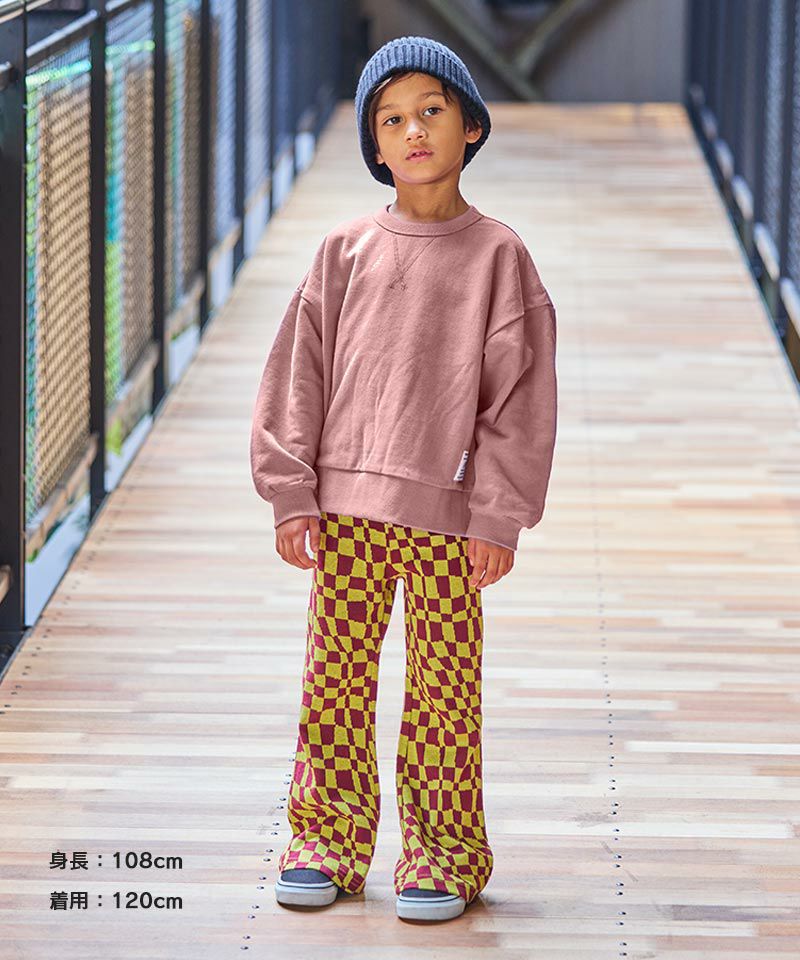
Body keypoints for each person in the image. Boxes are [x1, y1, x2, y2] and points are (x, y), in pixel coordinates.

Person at [249, 35, 557, 923]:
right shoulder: (342, 250)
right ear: (374, 147)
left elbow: (519, 402)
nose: (413, 130)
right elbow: (296, 378)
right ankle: (324, 840)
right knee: (334, 685)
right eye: (390, 120)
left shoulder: (500, 257)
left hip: (451, 525)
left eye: (431, 111)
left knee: (444, 694)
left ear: (471, 127)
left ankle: (444, 852)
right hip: (346, 514)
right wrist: (291, 493)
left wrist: (497, 516)